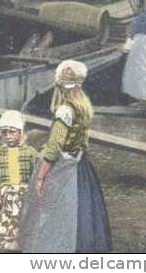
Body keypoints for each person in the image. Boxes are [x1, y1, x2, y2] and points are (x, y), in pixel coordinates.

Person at [20, 60, 112, 253]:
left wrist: (40, 177)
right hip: (80, 163)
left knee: (51, 210)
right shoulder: (84, 105)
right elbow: (83, 140)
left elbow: (54, 147)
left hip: (63, 167)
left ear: (60, 86)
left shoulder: (64, 110)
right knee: (83, 210)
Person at [0, 110, 37, 253]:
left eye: (12, 132)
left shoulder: (30, 152)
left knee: (18, 231)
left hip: (22, 198)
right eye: (4, 133)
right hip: (2, 198)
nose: (8, 137)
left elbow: (36, 174)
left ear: (21, 132)